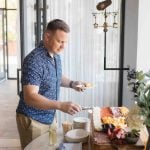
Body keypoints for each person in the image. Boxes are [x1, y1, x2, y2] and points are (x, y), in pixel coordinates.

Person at [16, 19, 88, 149]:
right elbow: (30, 96)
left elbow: (56, 77)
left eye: (65, 42)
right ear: (47, 37)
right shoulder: (34, 60)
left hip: (50, 118)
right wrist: (60, 105)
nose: (63, 46)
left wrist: (72, 83)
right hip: (33, 120)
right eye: (60, 41)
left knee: (51, 147)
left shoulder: (55, 55)